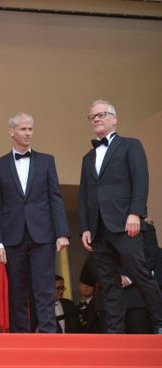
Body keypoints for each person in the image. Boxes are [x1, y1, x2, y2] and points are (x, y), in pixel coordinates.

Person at [79, 99, 162, 334]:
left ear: (115, 119)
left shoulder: (131, 145)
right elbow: (85, 194)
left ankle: (160, 321)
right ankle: (116, 334)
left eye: (102, 114)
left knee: (141, 274)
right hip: (98, 229)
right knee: (108, 282)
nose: (96, 118)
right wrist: (85, 227)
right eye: (93, 116)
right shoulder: (88, 157)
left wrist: (136, 213)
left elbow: (140, 179)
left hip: (126, 223)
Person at [0, 112, 69, 333]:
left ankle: (47, 335)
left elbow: (55, 197)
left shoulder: (46, 160)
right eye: (23, 129)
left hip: (43, 234)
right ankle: (20, 338)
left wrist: (62, 232)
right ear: (11, 132)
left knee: (44, 289)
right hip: (12, 236)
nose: (27, 133)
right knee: (17, 290)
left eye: (30, 129)